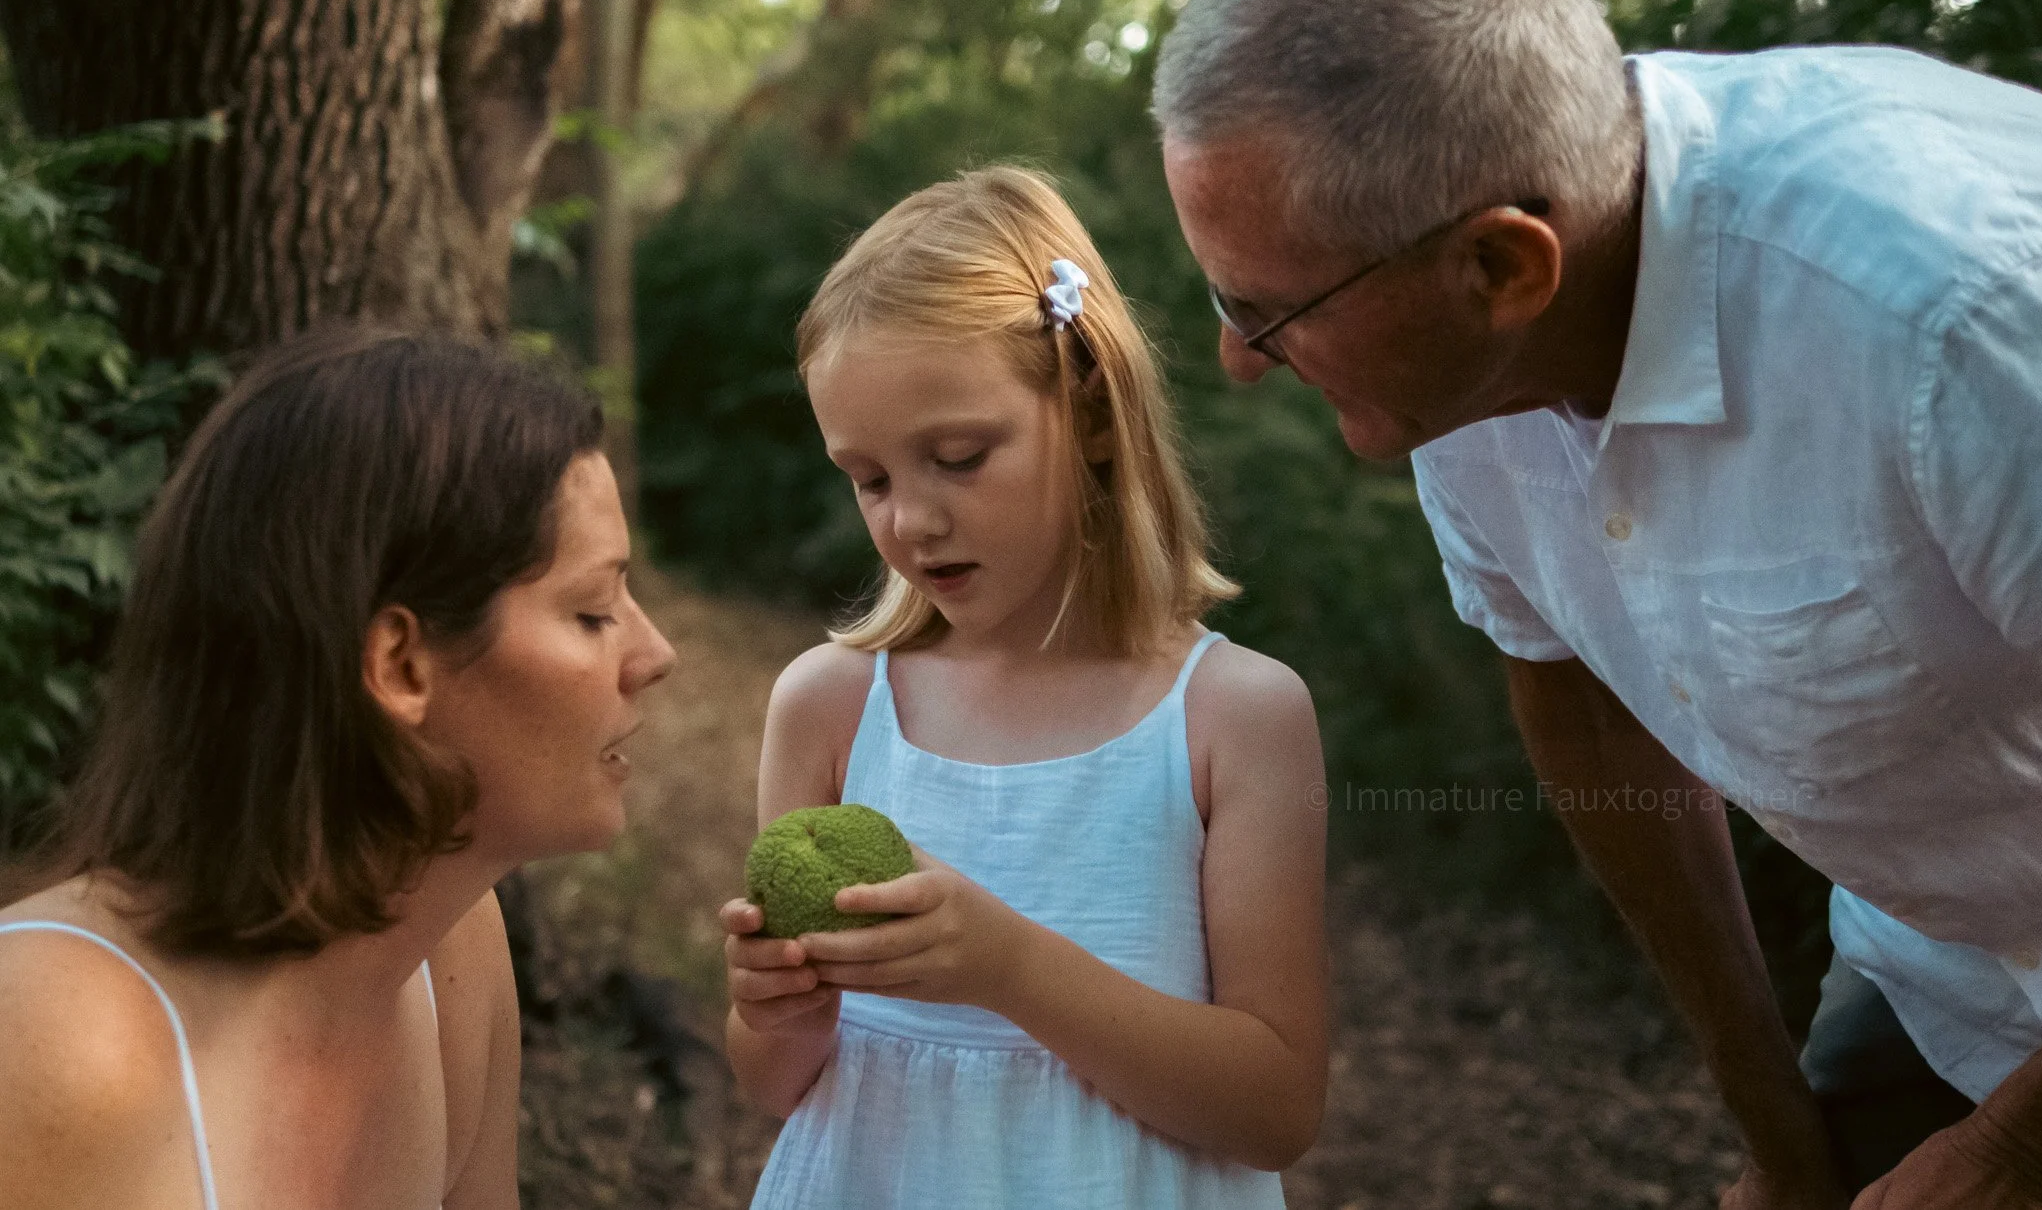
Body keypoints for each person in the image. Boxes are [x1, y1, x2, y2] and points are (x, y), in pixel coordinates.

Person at [1150, 0, 2042, 1210]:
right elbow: (1584, 704)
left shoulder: (1957, 327)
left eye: (1268, 308)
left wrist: (2013, 1150)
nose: (1238, 358)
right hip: (1940, 959)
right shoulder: (1454, 336)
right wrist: (1776, 1127)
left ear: (1506, 269)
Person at [719, 166, 1329, 1207]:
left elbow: (1273, 1107)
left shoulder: (1233, 717)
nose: (909, 519)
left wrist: (1007, 967)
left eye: (957, 456)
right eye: (868, 478)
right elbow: (778, 1085)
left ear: (1090, 404)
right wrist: (775, 1015)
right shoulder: (828, 706)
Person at [0, 326, 676, 1209]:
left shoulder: (453, 958)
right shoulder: (57, 1042)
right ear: (399, 664)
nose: (656, 652)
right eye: (592, 611)